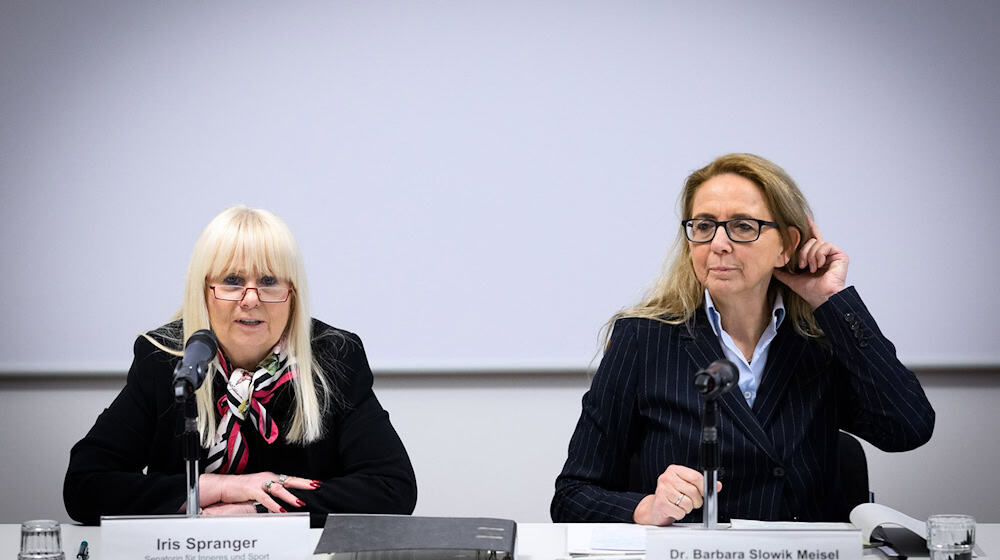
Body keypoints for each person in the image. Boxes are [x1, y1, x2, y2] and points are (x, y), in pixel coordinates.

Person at [551, 153, 935, 524]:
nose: (718, 244)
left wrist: (830, 299)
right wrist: (646, 508)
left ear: (787, 245)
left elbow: (908, 429)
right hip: (696, 552)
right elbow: (572, 496)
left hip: (802, 553)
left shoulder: (822, 338)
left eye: (743, 227)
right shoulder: (643, 337)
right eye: (704, 226)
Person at [64, 206, 417, 526]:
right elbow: (85, 485)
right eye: (232, 281)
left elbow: (392, 488)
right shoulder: (166, 361)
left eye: (268, 281)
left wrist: (257, 509)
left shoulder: (333, 358)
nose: (250, 299)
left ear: (293, 293)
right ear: (204, 290)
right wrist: (217, 488)